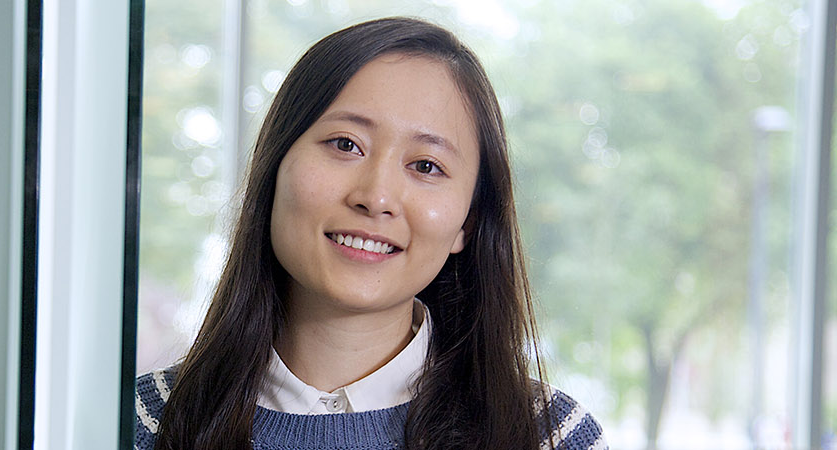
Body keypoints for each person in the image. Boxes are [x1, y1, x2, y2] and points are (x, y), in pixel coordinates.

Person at [133, 17, 606, 450]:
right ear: (275, 166)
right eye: (345, 144)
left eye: (426, 166)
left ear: (469, 222)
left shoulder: (548, 436)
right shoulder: (140, 424)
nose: (376, 196)